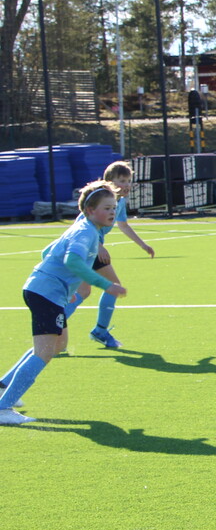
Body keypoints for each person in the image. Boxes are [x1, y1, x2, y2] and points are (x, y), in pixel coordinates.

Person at [0, 181, 128, 425]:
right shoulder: (86, 232)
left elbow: (47, 252)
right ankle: (3, 407)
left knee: (57, 345)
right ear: (90, 210)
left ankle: (4, 389)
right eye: (107, 208)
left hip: (45, 290)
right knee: (45, 352)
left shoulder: (85, 228)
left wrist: (65, 287)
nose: (113, 212)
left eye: (114, 207)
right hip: (45, 293)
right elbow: (72, 261)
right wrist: (105, 285)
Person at [64, 161, 155, 349]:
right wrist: (98, 246)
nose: (126, 185)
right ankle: (98, 330)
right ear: (109, 181)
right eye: (122, 180)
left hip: (90, 249)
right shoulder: (99, 200)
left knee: (84, 292)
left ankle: (55, 326)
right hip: (87, 248)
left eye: (128, 181)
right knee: (112, 286)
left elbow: (124, 225)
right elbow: (81, 224)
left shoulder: (118, 202)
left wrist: (143, 245)